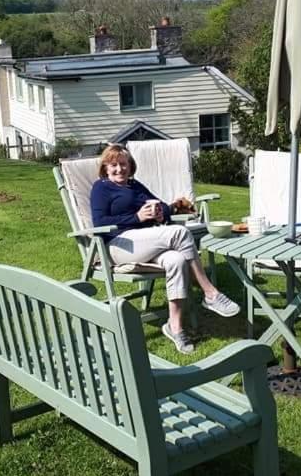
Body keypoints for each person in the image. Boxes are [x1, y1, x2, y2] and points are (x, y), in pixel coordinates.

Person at [89, 143, 240, 354]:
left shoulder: (135, 186)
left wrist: (162, 213)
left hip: (145, 243)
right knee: (180, 232)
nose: (119, 169)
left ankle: (175, 327)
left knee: (176, 261)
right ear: (105, 167)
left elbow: (162, 206)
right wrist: (137, 217)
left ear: (130, 166)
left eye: (123, 164)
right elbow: (99, 222)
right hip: (119, 245)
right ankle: (210, 293)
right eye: (114, 165)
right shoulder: (101, 187)